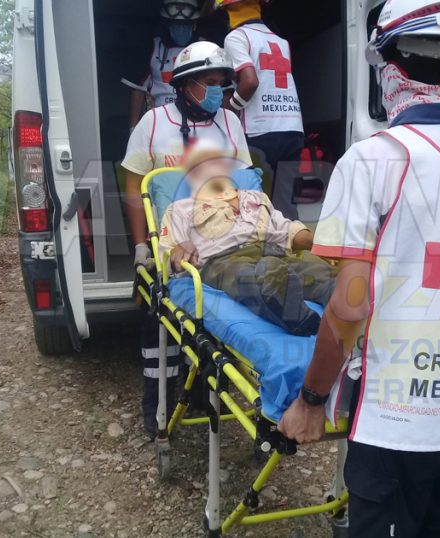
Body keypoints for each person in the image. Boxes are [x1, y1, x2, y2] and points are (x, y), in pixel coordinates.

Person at [276, 1, 440, 536]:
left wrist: (311, 401)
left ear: (388, 67)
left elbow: (351, 305)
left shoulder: (373, 160)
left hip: (396, 424)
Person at [121, 41, 252, 439]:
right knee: (159, 330)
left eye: (221, 83)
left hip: (221, 243)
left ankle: (203, 395)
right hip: (169, 245)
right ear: (183, 84)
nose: (217, 91)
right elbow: (134, 187)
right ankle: (156, 403)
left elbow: (245, 184)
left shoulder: (230, 123)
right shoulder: (154, 123)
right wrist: (142, 246)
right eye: (208, 83)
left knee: (216, 327)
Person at [159, 141, 335, 335]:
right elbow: (167, 258)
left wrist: (323, 245)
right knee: (252, 276)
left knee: (326, 274)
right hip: (224, 261)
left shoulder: (256, 197)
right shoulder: (180, 209)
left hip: (276, 253)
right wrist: (179, 248)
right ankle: (299, 319)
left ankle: (346, 315)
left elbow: (287, 230)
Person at [216, 0, 304, 220]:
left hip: (260, 130)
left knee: (255, 205)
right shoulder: (281, 41)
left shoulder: (236, 37)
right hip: (293, 128)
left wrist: (230, 109)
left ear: (228, 10)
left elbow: (250, 82)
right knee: (286, 207)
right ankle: (292, 239)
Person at [122, 0, 203, 130]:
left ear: (194, 24)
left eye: (185, 23)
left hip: (198, 119)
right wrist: (133, 128)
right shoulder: (151, 47)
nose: (180, 27)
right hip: (160, 120)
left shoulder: (206, 47)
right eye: (175, 23)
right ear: (166, 23)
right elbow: (138, 88)